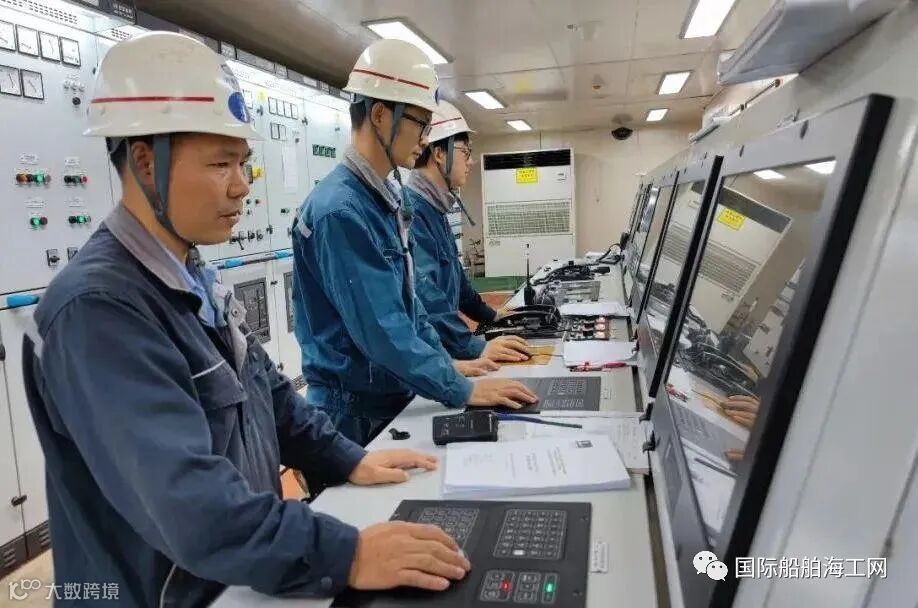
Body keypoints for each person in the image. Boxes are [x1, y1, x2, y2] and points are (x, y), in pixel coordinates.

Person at [21, 32, 471, 607]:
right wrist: (348, 554)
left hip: (235, 577)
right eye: (220, 164)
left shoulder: (188, 272)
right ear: (145, 162)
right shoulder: (96, 311)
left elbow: (271, 396)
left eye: (244, 163)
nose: (241, 185)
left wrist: (348, 458)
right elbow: (191, 506)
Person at [291, 39, 537, 446]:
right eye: (420, 123)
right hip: (354, 415)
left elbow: (411, 306)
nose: (425, 137)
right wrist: (460, 387)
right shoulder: (340, 211)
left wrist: (447, 366)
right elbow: (382, 330)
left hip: (389, 394)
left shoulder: (381, 199)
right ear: (380, 114)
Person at [407, 100, 531, 363]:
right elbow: (427, 297)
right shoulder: (414, 214)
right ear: (439, 154)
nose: (471, 161)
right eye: (465, 152)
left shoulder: (435, 209)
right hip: (433, 356)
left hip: (445, 350)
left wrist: (492, 316)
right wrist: (475, 348)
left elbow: (458, 283)